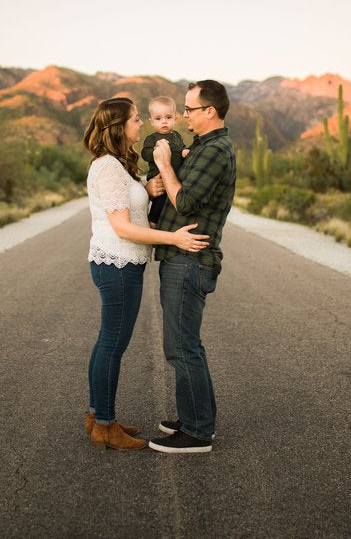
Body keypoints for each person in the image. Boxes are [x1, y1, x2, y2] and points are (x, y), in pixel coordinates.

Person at [82, 97, 209, 451]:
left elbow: (133, 209)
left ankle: (98, 416)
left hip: (122, 263)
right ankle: (105, 426)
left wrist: (149, 189)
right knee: (113, 344)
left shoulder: (119, 166)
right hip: (117, 263)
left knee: (108, 341)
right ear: (119, 127)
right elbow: (122, 227)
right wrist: (174, 238)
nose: (141, 124)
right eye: (136, 119)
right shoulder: (107, 167)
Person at [148, 80, 237, 454]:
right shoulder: (200, 148)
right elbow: (172, 194)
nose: (184, 115)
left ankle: (199, 431)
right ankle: (193, 418)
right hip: (178, 256)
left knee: (182, 346)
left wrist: (166, 165)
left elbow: (185, 202)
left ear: (209, 112)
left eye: (190, 109)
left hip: (190, 260)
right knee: (182, 343)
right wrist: (156, 184)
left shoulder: (216, 150)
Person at [141, 96, 189, 226]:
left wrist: (184, 151)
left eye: (168, 117)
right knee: (161, 200)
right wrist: (155, 151)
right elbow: (145, 153)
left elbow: (182, 147)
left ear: (175, 119)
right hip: (159, 177)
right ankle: (153, 221)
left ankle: (168, 225)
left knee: (174, 202)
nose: (164, 122)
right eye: (158, 118)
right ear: (151, 122)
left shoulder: (177, 136)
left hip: (175, 177)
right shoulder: (152, 138)